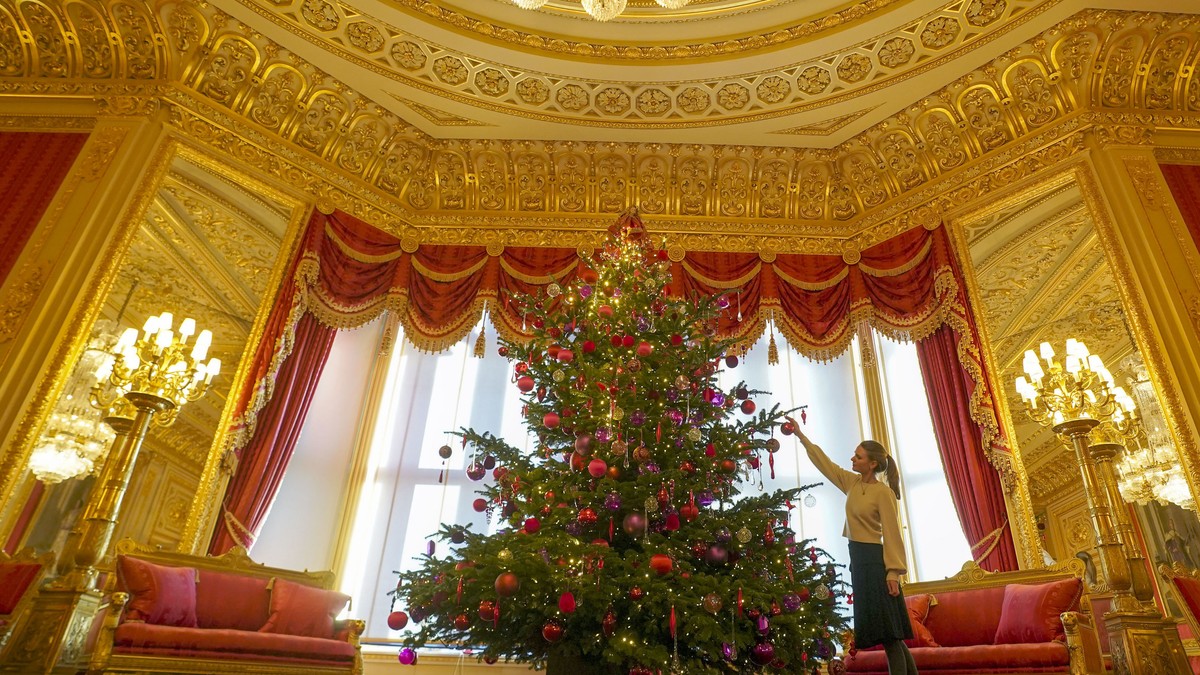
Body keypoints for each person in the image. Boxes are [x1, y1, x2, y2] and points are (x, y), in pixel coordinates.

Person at [788, 417, 918, 675]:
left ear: (872, 464)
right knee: (890, 635)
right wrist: (801, 437)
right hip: (858, 561)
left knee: (890, 635)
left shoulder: (883, 493)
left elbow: (892, 534)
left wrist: (893, 572)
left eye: (858, 457)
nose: (852, 459)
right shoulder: (852, 483)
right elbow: (826, 464)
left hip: (876, 563)